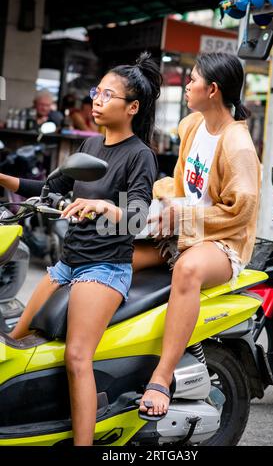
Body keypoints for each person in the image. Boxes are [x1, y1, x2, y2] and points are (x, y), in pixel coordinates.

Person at [0, 52, 161, 445]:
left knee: (76, 357)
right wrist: (4, 179)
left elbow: (137, 215)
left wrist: (107, 207)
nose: (98, 100)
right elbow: (53, 189)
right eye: (96, 92)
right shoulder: (90, 144)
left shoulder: (140, 155)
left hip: (104, 268)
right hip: (68, 263)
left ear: (133, 107)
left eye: (108, 94)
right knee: (16, 342)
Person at [132, 52, 261, 419]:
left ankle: (162, 375)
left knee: (187, 269)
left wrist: (181, 215)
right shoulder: (192, 126)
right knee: (118, 253)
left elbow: (241, 213)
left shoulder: (238, 147)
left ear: (213, 89)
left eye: (192, 80)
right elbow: (181, 183)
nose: (186, 85)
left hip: (223, 242)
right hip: (183, 228)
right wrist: (160, 202)